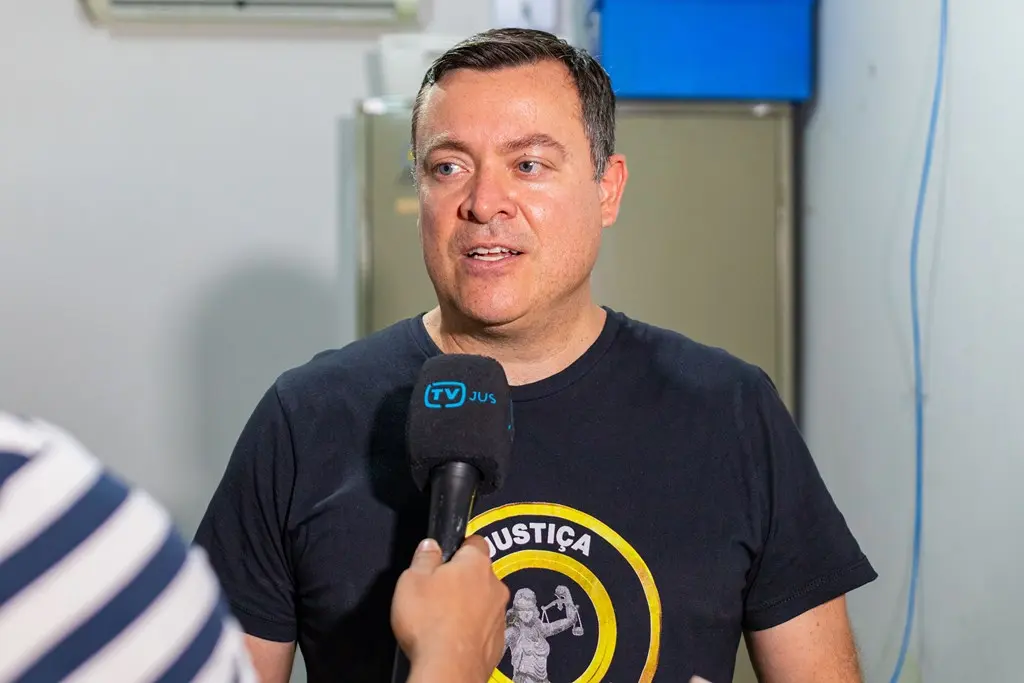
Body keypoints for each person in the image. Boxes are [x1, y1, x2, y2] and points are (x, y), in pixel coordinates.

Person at [194, 27, 878, 683]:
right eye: (448, 166)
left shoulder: (731, 410)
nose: (485, 202)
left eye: (529, 165)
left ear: (606, 189)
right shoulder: (303, 418)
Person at [0, 411, 508, 682]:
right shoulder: (302, 413)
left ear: (595, 207)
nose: (483, 206)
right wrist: (451, 662)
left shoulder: (43, 486)